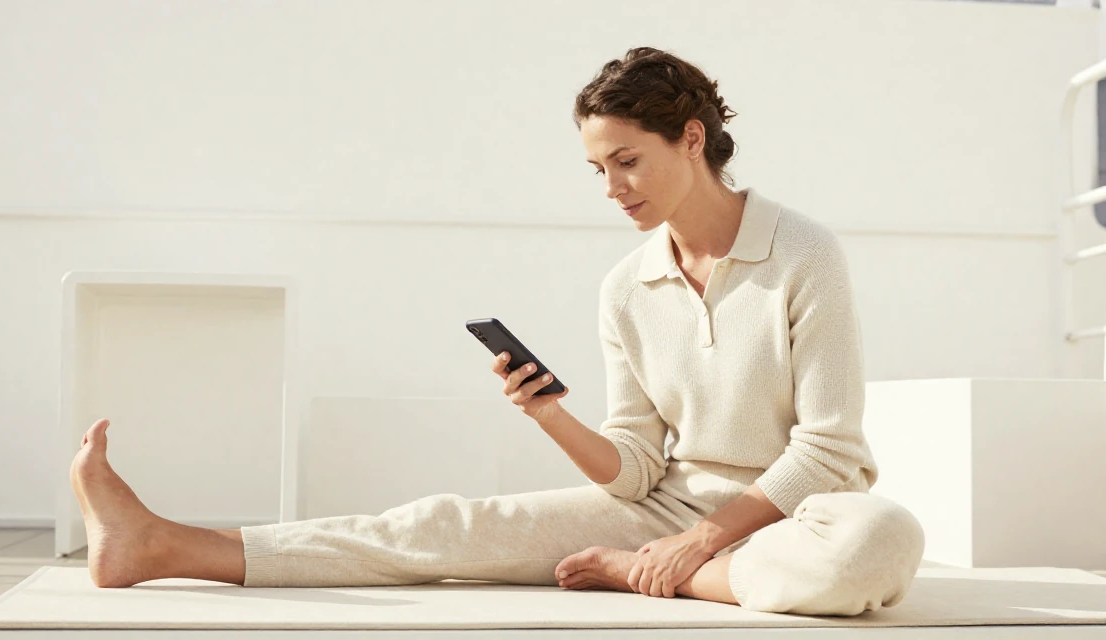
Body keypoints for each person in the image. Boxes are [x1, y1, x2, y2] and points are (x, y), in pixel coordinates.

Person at [68, 46, 924, 616]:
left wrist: (687, 546)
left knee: (880, 544)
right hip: (663, 511)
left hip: (796, 516)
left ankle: (666, 578)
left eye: (628, 161)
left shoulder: (805, 252)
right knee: (446, 525)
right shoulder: (627, 286)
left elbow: (826, 447)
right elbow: (634, 472)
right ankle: (163, 543)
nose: (612, 188)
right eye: (597, 169)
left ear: (692, 139)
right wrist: (547, 413)